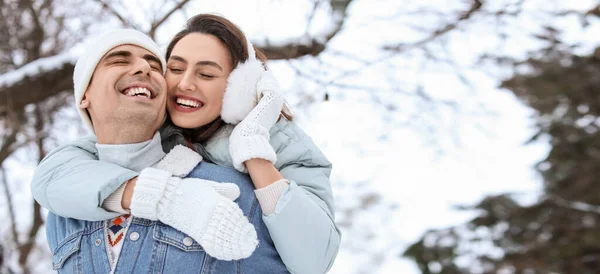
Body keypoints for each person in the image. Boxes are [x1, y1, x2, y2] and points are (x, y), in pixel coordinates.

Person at [33, 14, 340, 274]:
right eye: (175, 69)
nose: (185, 83)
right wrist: (163, 196)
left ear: (239, 90)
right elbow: (53, 175)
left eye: (206, 73)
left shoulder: (274, 160)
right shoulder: (155, 139)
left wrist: (253, 148)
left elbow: (313, 258)